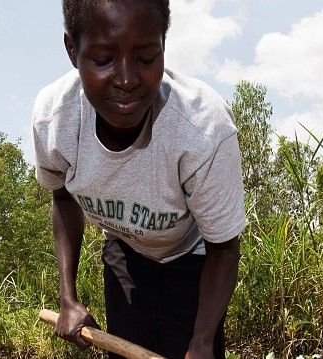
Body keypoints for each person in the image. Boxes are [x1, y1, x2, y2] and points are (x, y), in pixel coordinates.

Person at [32, 0, 246, 358]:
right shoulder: (55, 121)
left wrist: (203, 342)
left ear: (163, 44)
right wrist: (67, 298)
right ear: (73, 49)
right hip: (125, 253)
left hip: (195, 259)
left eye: (146, 58)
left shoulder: (202, 130)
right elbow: (63, 197)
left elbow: (224, 247)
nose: (127, 80)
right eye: (103, 60)